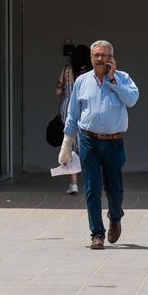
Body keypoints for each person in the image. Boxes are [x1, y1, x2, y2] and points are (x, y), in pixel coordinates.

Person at [59, 40, 140, 250]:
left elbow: (132, 100)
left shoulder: (122, 78)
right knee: (92, 188)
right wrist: (67, 144)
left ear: (111, 58)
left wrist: (114, 80)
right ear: (91, 58)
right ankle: (97, 233)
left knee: (114, 190)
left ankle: (115, 216)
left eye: (103, 55)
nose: (99, 59)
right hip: (89, 140)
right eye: (96, 55)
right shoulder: (82, 81)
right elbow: (73, 113)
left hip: (114, 141)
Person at [54, 44, 91, 194]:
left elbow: (57, 91)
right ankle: (90, 180)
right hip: (84, 108)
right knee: (86, 144)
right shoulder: (90, 72)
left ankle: (73, 184)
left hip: (67, 107)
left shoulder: (67, 70)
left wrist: (66, 89)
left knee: (70, 145)